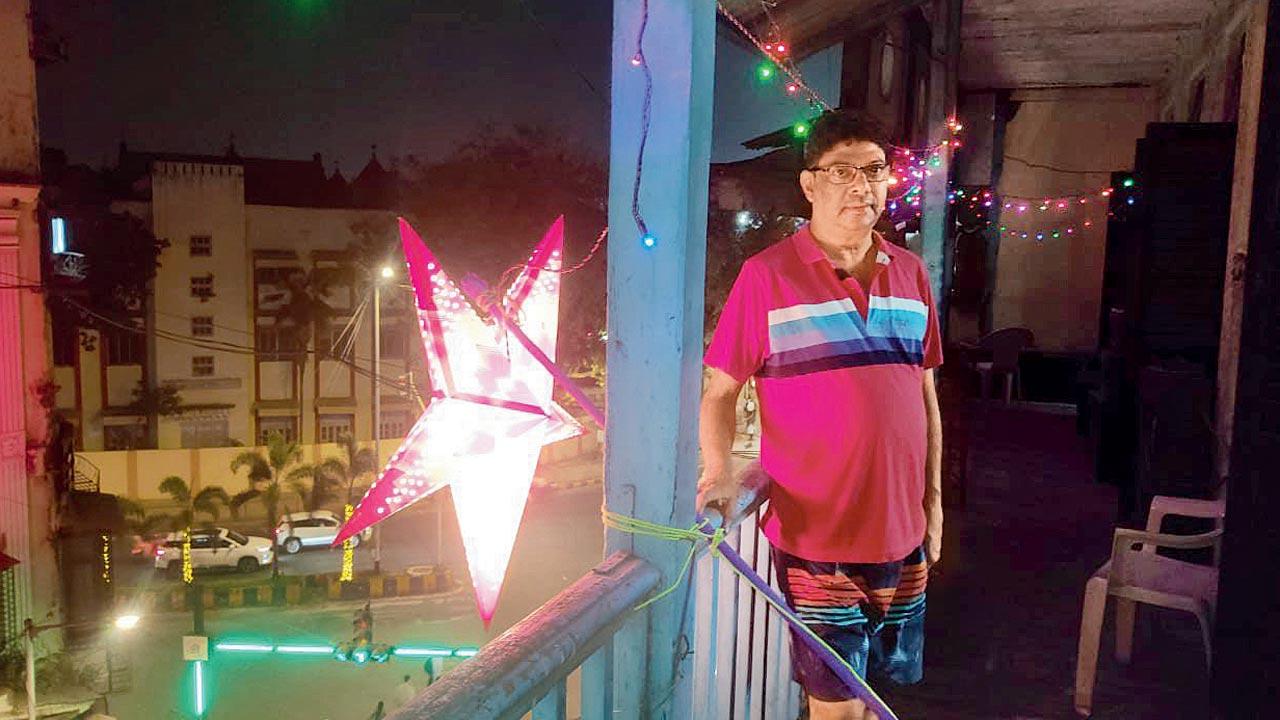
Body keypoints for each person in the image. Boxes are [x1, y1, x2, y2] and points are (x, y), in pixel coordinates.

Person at [697, 110, 944, 720]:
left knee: (875, 694)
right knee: (834, 706)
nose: (861, 186)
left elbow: (926, 396)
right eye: (841, 171)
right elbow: (719, 390)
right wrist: (719, 469)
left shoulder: (911, 274)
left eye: (874, 170)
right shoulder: (767, 277)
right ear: (810, 185)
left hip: (904, 533)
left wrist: (934, 504)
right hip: (819, 538)